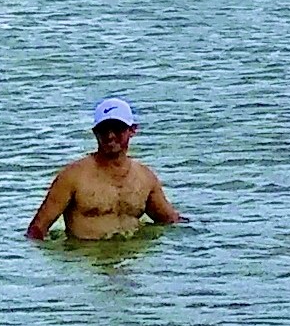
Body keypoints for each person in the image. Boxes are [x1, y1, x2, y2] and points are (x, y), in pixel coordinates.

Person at [28, 97, 183, 241]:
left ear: (132, 130)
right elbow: (37, 230)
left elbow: (170, 220)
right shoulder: (73, 177)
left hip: (131, 262)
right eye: (104, 129)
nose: (110, 136)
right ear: (95, 132)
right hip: (86, 262)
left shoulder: (145, 178)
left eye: (117, 129)